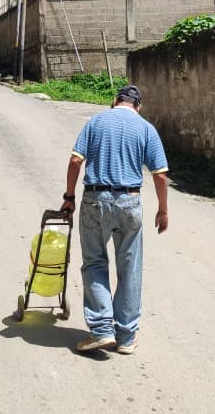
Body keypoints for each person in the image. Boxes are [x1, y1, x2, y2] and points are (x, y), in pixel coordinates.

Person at [60, 84, 169, 355]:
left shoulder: (96, 121)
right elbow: (160, 175)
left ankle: (101, 331)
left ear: (114, 101)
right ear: (138, 106)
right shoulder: (146, 128)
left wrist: (69, 197)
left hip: (95, 200)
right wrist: (163, 210)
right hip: (130, 201)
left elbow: (75, 162)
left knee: (95, 262)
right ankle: (126, 337)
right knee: (130, 268)